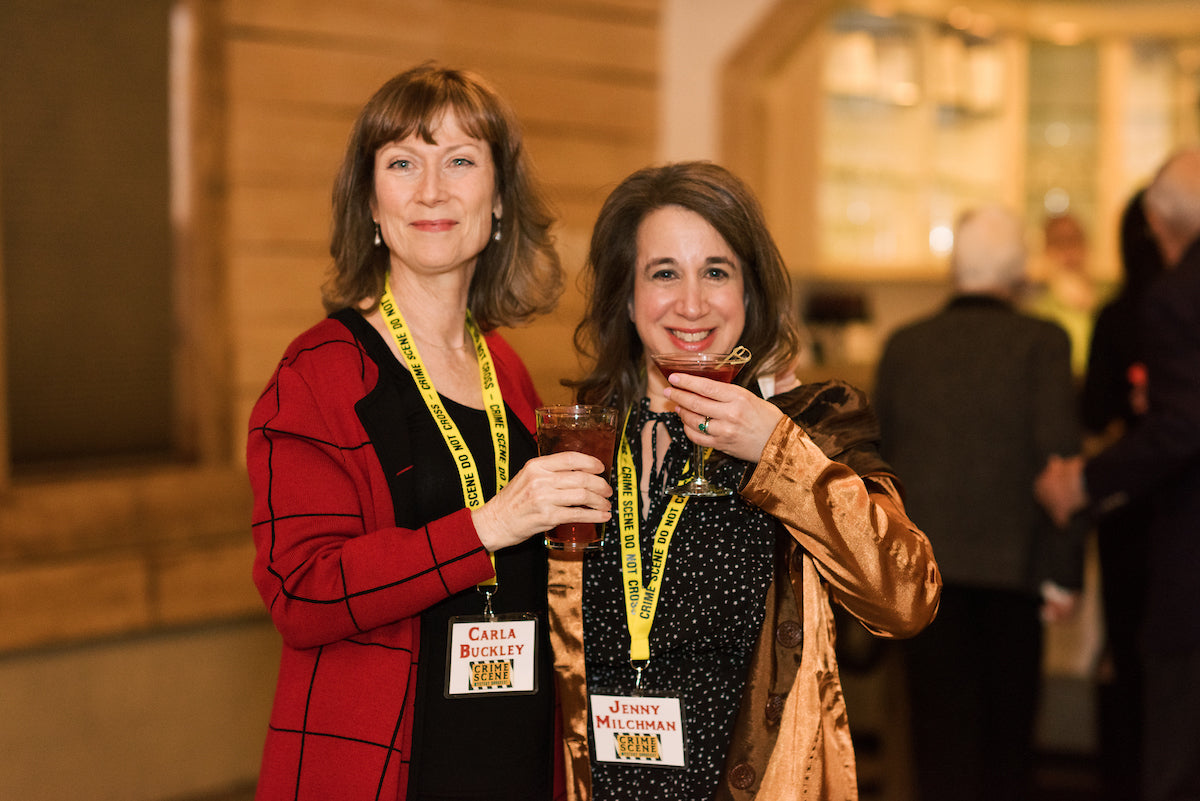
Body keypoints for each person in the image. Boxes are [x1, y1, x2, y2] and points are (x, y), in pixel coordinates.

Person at [246, 64, 613, 801]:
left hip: (515, 754)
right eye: (403, 163)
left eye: (461, 161)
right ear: (370, 202)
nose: (432, 191)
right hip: (385, 764)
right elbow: (301, 593)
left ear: (498, 198)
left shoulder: (505, 367)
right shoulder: (318, 373)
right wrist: (488, 525)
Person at [547, 161, 941, 800]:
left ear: (750, 295)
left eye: (716, 272)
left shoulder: (814, 424)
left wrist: (776, 451)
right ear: (627, 297)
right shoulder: (582, 440)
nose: (692, 303)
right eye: (664, 273)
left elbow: (906, 599)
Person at [872, 205, 1086, 801]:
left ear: (955, 267)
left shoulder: (905, 345)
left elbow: (875, 467)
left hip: (923, 576)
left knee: (939, 747)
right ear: (1018, 271)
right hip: (1015, 571)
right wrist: (1066, 572)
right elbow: (1060, 463)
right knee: (1005, 750)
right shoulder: (1042, 342)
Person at [1037, 147, 1200, 801]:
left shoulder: (1172, 297)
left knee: (1174, 749)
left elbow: (1181, 427)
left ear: (1160, 224)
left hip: (1183, 549)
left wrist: (1082, 480)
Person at [1079, 188, 1165, 801]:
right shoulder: (1180, 305)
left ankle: (1124, 779)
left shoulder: (1117, 315)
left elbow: (1093, 415)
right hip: (1177, 505)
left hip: (1127, 509)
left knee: (1126, 651)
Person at [1026, 211, 1102, 376]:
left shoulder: (1106, 298)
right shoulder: (1036, 310)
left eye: (1075, 239)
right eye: (1059, 242)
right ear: (1047, 249)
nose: (1069, 250)